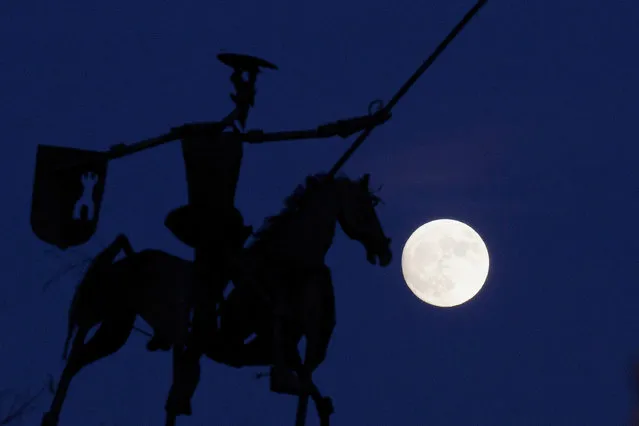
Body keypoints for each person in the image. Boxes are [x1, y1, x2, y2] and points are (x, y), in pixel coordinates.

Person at [163, 52, 391, 417]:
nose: (249, 89)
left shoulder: (239, 132)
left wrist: (367, 122)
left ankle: (281, 357)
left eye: (250, 82)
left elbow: (320, 132)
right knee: (226, 268)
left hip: (230, 218)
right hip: (213, 218)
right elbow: (314, 133)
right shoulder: (225, 134)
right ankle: (211, 341)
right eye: (246, 81)